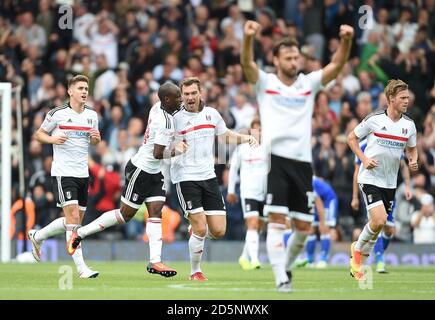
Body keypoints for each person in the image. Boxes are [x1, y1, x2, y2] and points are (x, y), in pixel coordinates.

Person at [241, 20, 354, 292]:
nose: (294, 61)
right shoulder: (265, 83)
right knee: (277, 223)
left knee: (303, 229)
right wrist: (248, 39)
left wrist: (346, 41)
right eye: (289, 57)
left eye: (296, 57)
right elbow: (247, 64)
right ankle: (281, 278)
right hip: (276, 161)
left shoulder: (308, 83)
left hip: (303, 164)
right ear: (276, 60)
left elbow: (336, 66)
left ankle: (286, 266)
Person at [67, 82, 187, 277]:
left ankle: (155, 261)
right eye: (178, 98)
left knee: (156, 212)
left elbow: (179, 109)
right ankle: (79, 233)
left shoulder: (158, 106)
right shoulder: (164, 121)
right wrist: (176, 150)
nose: (181, 101)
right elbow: (158, 153)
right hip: (142, 170)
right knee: (125, 215)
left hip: (154, 173)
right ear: (167, 100)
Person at [171, 77, 258, 281]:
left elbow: (225, 135)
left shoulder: (212, 114)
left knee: (218, 231)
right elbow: (162, 144)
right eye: (186, 94)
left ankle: (196, 230)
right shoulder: (175, 118)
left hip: (208, 177)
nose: (190, 97)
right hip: (185, 177)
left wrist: (246, 137)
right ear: (181, 96)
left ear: (201, 93)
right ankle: (195, 271)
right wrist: (174, 149)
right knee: (202, 227)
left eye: (194, 93)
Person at [28, 75, 101, 278]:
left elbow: (94, 141)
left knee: (73, 222)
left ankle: (38, 235)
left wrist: (96, 140)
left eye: (86, 88)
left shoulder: (92, 115)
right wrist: (52, 138)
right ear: (70, 91)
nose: (84, 91)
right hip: (63, 172)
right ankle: (81, 269)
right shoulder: (57, 114)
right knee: (74, 220)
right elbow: (38, 134)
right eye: (80, 88)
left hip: (82, 174)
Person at [347, 79, 418, 281]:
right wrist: (364, 159)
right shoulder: (374, 119)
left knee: (378, 226)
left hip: (390, 182)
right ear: (391, 99)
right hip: (369, 178)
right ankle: (358, 253)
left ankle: (358, 254)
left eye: (408, 97)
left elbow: (412, 149)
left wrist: (414, 161)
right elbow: (351, 138)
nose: (407, 100)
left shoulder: (409, 125)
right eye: (403, 97)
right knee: (379, 220)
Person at [351, 139, 412, 273]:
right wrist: (355, 196)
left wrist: (408, 186)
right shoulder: (362, 145)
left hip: (389, 188)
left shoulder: (390, 140)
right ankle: (378, 260)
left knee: (389, 229)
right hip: (371, 186)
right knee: (377, 222)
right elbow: (356, 172)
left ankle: (372, 253)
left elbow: (403, 165)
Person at [227, 118, 268, 270]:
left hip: (264, 193)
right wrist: (231, 190)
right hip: (248, 191)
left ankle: (244, 257)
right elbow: (233, 170)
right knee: (252, 223)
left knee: (258, 227)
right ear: (251, 131)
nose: (258, 132)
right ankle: (255, 260)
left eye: (261, 129)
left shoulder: (267, 149)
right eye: (255, 129)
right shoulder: (242, 149)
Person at [295, 176, 338, 268]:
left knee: (323, 228)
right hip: (315, 202)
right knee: (311, 230)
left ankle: (323, 260)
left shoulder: (307, 180)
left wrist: (322, 221)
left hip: (328, 200)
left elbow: (318, 201)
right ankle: (310, 260)